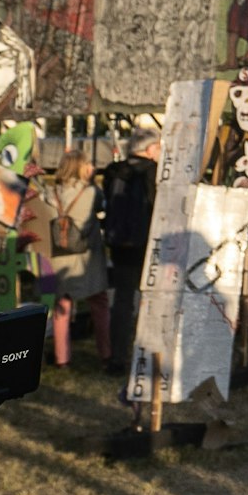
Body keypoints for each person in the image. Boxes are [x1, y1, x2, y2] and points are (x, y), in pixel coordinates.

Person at [40, 152, 110, 367]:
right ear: (81, 167)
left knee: (62, 307)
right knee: (99, 304)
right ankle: (106, 353)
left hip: (60, 256)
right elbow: (102, 206)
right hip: (86, 258)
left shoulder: (50, 192)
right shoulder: (90, 192)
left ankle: (62, 358)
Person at [100, 128, 160, 374]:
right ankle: (149, 356)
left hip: (119, 244)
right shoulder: (153, 172)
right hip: (148, 244)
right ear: (149, 149)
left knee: (123, 302)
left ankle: (117, 358)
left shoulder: (114, 171)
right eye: (159, 147)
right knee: (152, 301)